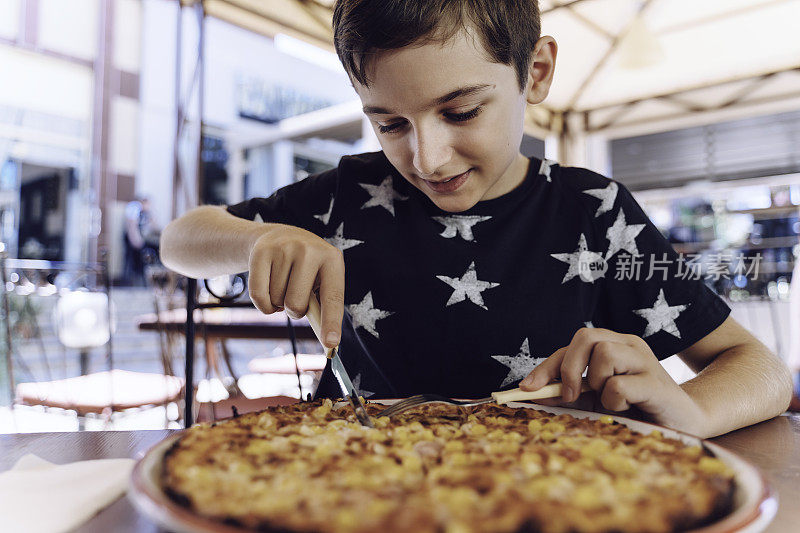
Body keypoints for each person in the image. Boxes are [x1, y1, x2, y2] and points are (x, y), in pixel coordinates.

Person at [161, 0, 792, 438]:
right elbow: (179, 241)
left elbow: (760, 369)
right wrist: (260, 237)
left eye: (461, 112)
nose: (426, 158)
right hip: (352, 480)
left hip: (552, 495)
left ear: (535, 72)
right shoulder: (349, 194)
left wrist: (689, 409)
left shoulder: (594, 213)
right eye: (389, 124)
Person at [124, 196, 159, 286]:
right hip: (132, 240)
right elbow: (132, 229)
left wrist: (152, 214)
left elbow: (154, 227)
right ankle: (139, 275)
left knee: (156, 247)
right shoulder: (135, 207)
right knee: (141, 252)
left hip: (142, 238)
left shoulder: (145, 213)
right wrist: (138, 242)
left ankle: (153, 275)